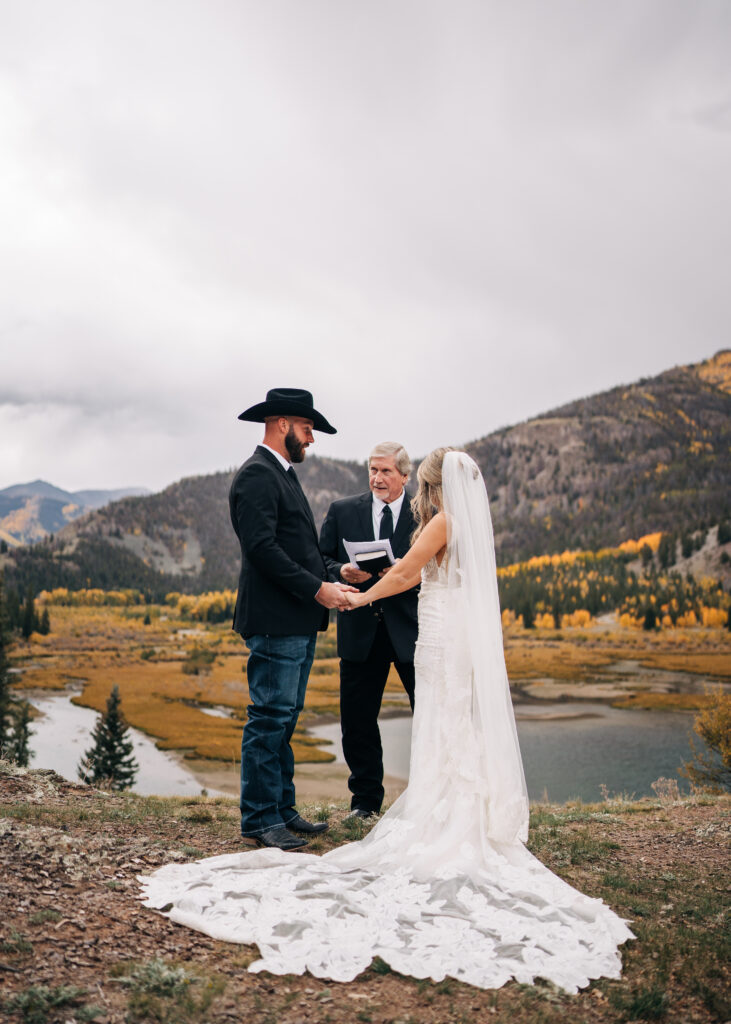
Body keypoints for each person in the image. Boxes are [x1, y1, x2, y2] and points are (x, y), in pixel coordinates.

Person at [142, 448, 632, 991]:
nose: (414, 492)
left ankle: (447, 815)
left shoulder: (442, 521)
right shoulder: (461, 521)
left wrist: (360, 595)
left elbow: (404, 573)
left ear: (428, 484)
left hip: (436, 638)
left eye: (419, 483)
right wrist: (342, 583)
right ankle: (446, 805)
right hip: (445, 637)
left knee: (442, 720)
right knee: (445, 723)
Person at [229, 387, 356, 851]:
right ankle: (261, 819)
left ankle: (281, 809)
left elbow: (298, 551)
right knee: (268, 717)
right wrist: (317, 589)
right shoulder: (258, 476)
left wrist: (333, 578)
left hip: (296, 619)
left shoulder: (280, 473)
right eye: (308, 429)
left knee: (285, 718)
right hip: (275, 620)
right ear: (282, 424)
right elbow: (262, 550)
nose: (312, 439)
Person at [319, 442, 418, 818]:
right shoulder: (343, 510)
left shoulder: (424, 513)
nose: (377, 478)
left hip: (411, 630)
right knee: (357, 721)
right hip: (359, 630)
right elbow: (321, 557)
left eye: (386, 472)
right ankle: (365, 803)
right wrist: (340, 571)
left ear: (405, 476)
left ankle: (429, 799)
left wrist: (406, 576)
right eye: (373, 470)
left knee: (427, 715)